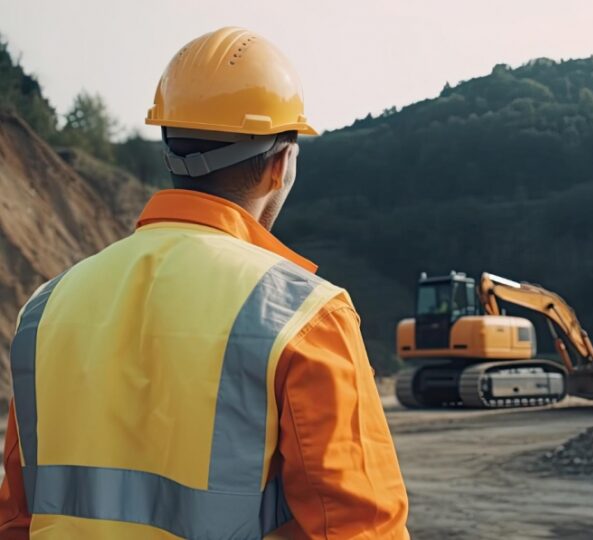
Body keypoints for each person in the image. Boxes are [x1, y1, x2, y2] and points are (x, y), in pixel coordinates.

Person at [0, 27, 409, 539]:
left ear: (169, 151)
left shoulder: (45, 311)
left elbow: (17, 518)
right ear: (280, 165)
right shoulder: (307, 319)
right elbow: (357, 529)